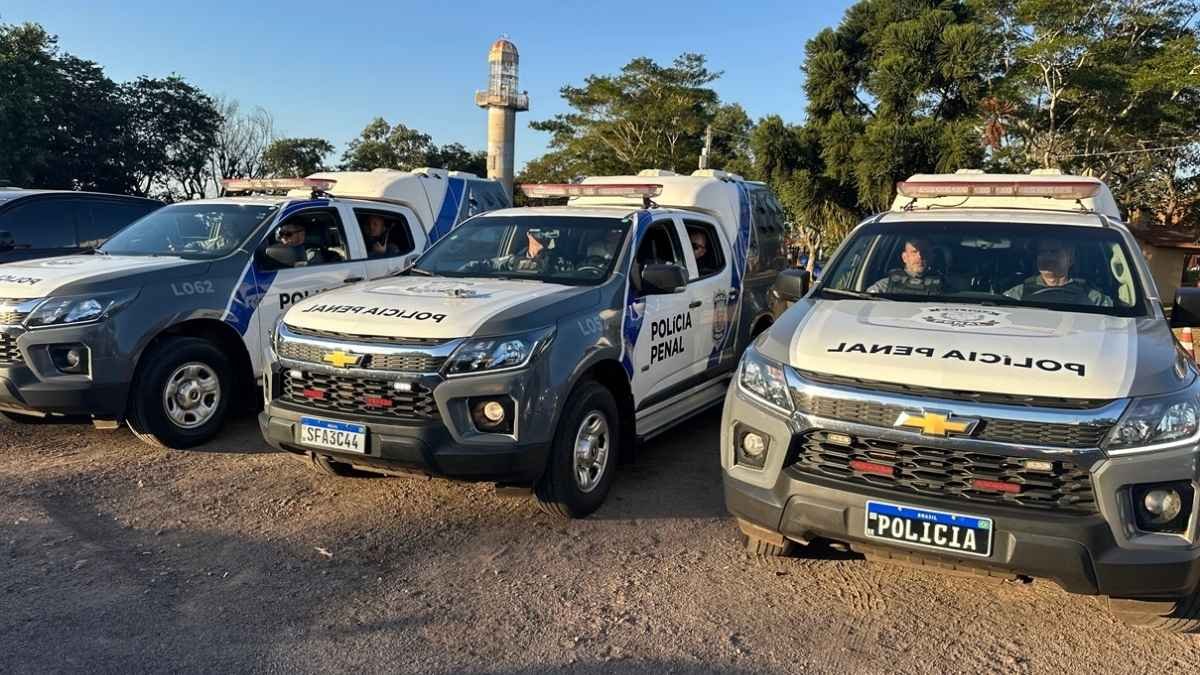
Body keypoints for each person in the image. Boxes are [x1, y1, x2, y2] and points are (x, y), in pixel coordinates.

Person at [1004, 239, 1113, 307]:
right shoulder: (1017, 294)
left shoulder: (1092, 298)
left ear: (1070, 258)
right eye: (1042, 252)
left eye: (1054, 252)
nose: (1047, 257)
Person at [866, 238, 946, 294]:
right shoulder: (884, 287)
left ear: (932, 257)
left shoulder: (945, 286)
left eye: (924, 251)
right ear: (904, 257)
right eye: (914, 252)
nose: (920, 256)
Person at [496, 229, 573, 274]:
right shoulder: (511, 261)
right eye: (541, 232)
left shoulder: (561, 263)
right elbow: (490, 265)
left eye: (549, 232)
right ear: (529, 234)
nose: (545, 236)